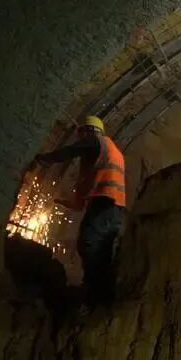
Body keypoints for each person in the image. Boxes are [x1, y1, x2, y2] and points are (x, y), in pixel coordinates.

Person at [34, 115, 126, 303]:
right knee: (104, 250)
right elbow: (90, 183)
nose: (80, 138)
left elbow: (71, 150)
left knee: (88, 243)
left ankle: (93, 290)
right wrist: (69, 203)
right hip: (116, 209)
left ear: (89, 131)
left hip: (104, 204)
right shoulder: (108, 150)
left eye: (81, 134)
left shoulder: (96, 141)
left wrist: (45, 159)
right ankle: (104, 294)